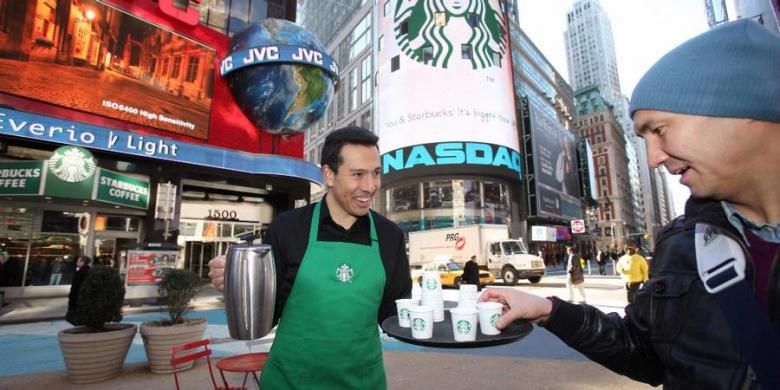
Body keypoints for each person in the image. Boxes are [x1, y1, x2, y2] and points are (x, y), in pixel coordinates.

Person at [479, 20, 780, 389]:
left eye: (659, 129)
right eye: (643, 138)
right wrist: (549, 310)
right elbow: (647, 353)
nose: (653, 158)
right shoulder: (683, 242)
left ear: (740, 108)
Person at [207, 127, 412, 389]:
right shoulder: (287, 229)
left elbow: (394, 315)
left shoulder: (390, 236)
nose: (370, 186)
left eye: (376, 173)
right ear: (329, 174)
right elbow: (265, 317)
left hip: (362, 381)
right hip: (291, 380)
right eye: (358, 174)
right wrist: (238, 284)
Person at [66, 255, 91, 325]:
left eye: (78, 261)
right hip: (82, 299)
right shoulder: (88, 271)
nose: (77, 262)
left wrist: (72, 298)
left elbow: (75, 287)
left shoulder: (80, 273)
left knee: (75, 318)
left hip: (78, 299)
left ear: (82, 262)